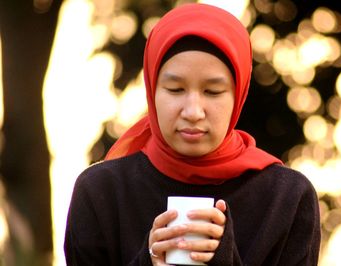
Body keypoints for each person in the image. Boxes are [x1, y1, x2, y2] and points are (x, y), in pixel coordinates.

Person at [64, 3, 321, 266]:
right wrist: (148, 260)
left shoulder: (286, 198)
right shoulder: (101, 192)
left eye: (213, 91)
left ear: (239, 94)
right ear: (152, 89)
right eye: (175, 89)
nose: (193, 111)